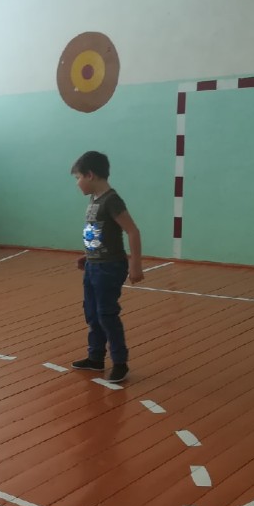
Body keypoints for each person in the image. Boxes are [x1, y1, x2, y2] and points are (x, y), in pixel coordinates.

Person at [69, 151, 144, 383]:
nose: (77, 183)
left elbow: (133, 231)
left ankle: (120, 362)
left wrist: (135, 265)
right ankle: (96, 358)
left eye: (78, 178)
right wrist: (88, 255)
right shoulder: (94, 199)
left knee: (106, 314)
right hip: (94, 265)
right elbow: (99, 232)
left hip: (109, 268)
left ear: (90, 175)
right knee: (92, 313)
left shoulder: (111, 200)